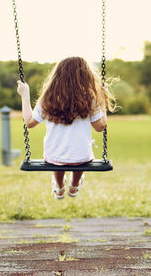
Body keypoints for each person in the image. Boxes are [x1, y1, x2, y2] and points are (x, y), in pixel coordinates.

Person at [16, 57, 116, 199]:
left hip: (54, 156)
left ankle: (59, 185)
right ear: (86, 77)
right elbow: (101, 127)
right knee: (80, 156)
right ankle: (74, 185)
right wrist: (102, 99)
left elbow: (30, 122)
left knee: (57, 160)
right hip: (81, 157)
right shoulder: (90, 99)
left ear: (57, 76)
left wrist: (25, 95)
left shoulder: (48, 99)